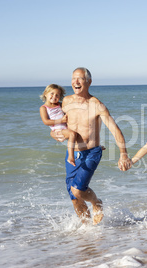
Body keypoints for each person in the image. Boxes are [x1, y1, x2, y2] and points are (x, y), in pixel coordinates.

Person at [52, 67, 132, 225]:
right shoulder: (66, 102)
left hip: (91, 153)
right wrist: (54, 133)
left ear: (88, 82)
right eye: (73, 78)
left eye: (80, 78)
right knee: (75, 198)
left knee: (78, 190)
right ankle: (87, 230)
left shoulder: (96, 105)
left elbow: (115, 130)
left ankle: (96, 202)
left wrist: (123, 154)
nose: (76, 82)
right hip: (73, 154)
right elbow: (56, 124)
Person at [40, 84, 77, 166]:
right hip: (58, 130)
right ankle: (71, 156)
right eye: (52, 93)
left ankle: (94, 146)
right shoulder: (44, 108)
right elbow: (46, 122)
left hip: (66, 127)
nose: (54, 96)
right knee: (72, 134)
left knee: (79, 131)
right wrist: (61, 120)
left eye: (57, 95)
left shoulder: (60, 105)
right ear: (45, 94)